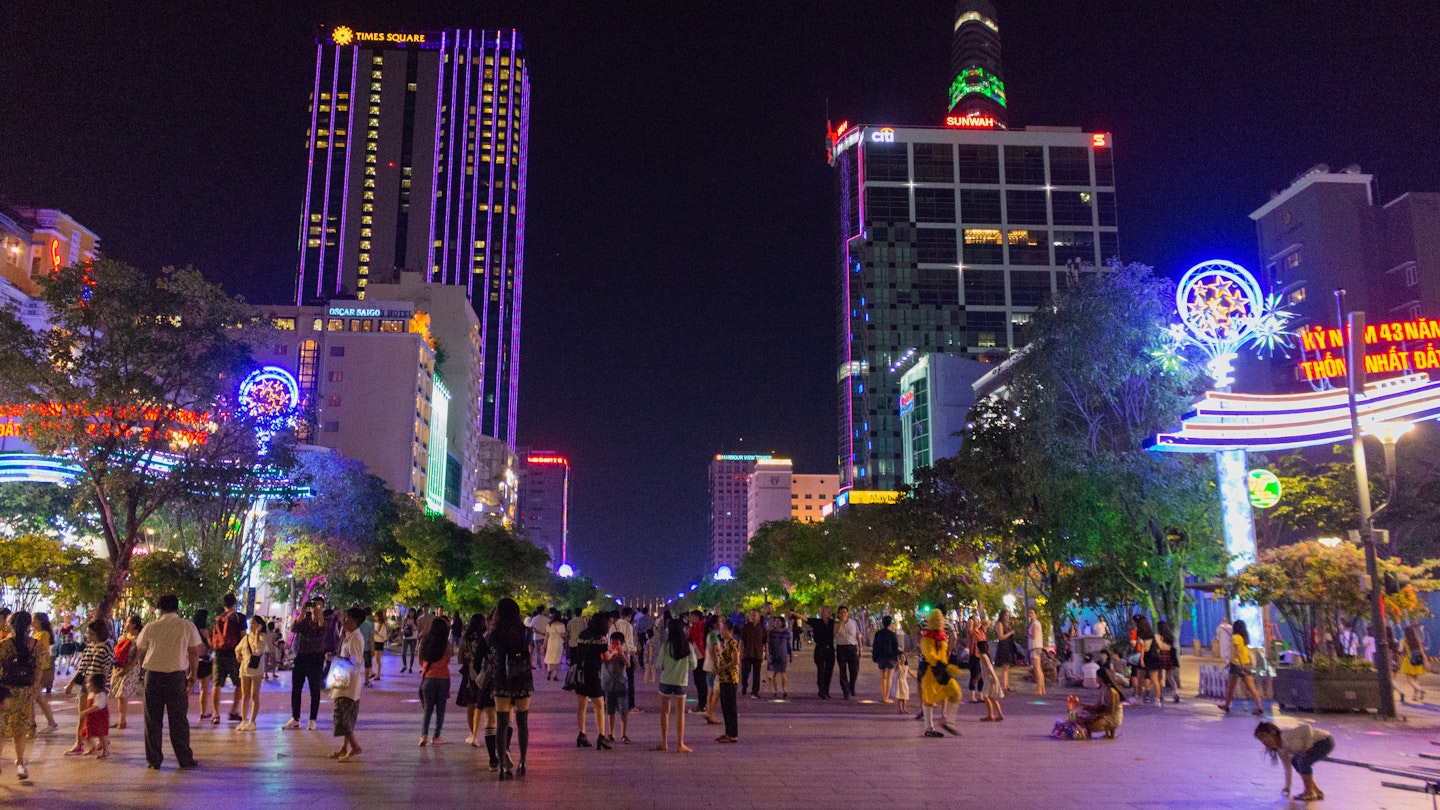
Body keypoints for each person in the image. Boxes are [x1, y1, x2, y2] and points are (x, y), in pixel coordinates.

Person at [135, 595, 203, 770]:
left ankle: (154, 760)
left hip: (153, 676)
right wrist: (193, 677)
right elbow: (194, 653)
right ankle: (184, 759)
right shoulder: (187, 626)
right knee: (179, 719)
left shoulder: (151, 627)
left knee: (152, 719)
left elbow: (140, 648)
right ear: (177, 608)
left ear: (160, 609)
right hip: (176, 677)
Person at [490, 597, 535, 780]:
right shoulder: (526, 632)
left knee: (501, 724)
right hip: (522, 677)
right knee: (522, 722)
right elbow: (527, 652)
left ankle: (502, 767)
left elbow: (490, 651)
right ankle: (523, 762)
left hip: (501, 678)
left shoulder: (494, 633)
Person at [0, 611, 46, 779]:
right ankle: (20, 763)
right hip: (25, 692)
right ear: (28, 626)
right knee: (19, 730)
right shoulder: (37, 645)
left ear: (11, 625)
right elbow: (39, 670)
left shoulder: (4, 645)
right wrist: (34, 690)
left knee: (2, 730)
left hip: (6, 692)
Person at [64, 619, 113, 755]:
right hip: (87, 683)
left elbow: (107, 668)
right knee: (82, 714)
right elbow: (82, 666)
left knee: (95, 714)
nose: (89, 637)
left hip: (98, 685)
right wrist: (71, 683)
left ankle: (100, 740)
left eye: (91, 634)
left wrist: (102, 687)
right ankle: (79, 742)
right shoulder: (89, 646)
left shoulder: (106, 647)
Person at [1255, 721, 1334, 801]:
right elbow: (1287, 768)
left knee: (1303, 761)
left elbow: (1307, 728)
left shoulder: (1286, 735)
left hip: (1324, 740)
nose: (1263, 741)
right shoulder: (1280, 749)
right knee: (1295, 761)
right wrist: (1287, 788)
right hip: (1315, 745)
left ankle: (1309, 792)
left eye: (1264, 736)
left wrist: (1308, 746)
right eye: (1260, 739)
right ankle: (1316, 791)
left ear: (1273, 732)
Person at [328, 607, 366, 761]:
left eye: (347, 617)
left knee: (342, 717)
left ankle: (355, 746)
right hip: (343, 681)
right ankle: (344, 748)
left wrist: (337, 660)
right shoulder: (350, 636)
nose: (344, 620)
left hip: (348, 684)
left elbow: (356, 661)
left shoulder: (356, 638)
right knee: (346, 716)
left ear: (355, 620)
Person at [654, 617, 696, 753]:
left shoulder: (666, 647)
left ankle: (664, 743)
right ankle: (680, 744)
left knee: (665, 712)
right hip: (681, 681)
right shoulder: (687, 646)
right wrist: (683, 669)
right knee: (680, 713)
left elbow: (659, 664)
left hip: (666, 681)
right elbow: (694, 664)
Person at [918, 609, 962, 737]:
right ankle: (929, 728)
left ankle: (950, 723)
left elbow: (943, 655)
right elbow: (930, 656)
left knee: (956, 693)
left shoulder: (942, 638)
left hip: (942, 672)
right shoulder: (926, 639)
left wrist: (948, 666)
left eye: (941, 619)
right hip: (930, 672)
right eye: (937, 619)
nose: (940, 621)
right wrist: (944, 665)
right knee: (929, 700)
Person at [285, 601, 326, 730]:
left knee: (314, 689)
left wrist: (318, 614)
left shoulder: (325, 621)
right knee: (296, 688)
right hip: (302, 656)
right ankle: (295, 718)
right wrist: (302, 610)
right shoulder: (305, 620)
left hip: (316, 657)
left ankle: (312, 719)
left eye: (318, 605)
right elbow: (294, 628)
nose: (315, 608)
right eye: (313, 605)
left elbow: (321, 629)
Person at [574, 612, 610, 749]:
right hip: (593, 674)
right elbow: (606, 657)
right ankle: (601, 736)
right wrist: (614, 653)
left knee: (581, 704)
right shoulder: (600, 638)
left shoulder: (582, 635)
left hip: (580, 673)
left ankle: (581, 734)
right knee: (599, 705)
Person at [209, 594, 245, 724]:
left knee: (216, 683)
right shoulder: (239, 617)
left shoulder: (219, 617)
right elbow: (243, 637)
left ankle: (216, 714)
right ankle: (234, 711)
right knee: (240, 683)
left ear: (223, 604)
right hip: (233, 655)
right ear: (235, 603)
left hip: (218, 653)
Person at [417, 615, 452, 746]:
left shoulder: (424, 642)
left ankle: (423, 736)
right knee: (441, 709)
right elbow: (448, 660)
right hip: (443, 678)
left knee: (427, 708)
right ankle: (436, 736)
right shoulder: (446, 644)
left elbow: (420, 660)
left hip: (428, 678)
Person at [1218, 619, 1265, 716]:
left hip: (1236, 665)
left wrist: (1236, 663)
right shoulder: (1244, 638)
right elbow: (1244, 652)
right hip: (1245, 664)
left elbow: (1236, 652)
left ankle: (1227, 706)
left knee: (1230, 687)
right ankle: (1259, 707)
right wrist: (1245, 665)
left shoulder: (1235, 637)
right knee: (1251, 688)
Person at [456, 613, 488, 747]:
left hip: (469, 675)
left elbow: (459, 659)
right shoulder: (484, 638)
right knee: (480, 705)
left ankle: (472, 734)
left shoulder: (465, 639)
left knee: (470, 705)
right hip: (483, 674)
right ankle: (477, 734)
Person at [791, 606, 837, 699]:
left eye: (824, 612)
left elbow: (838, 629)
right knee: (820, 670)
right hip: (820, 648)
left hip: (830, 649)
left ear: (828, 613)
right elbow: (805, 618)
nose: (822, 613)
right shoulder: (817, 622)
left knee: (829, 670)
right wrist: (794, 614)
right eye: (820, 612)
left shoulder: (833, 622)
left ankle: (826, 690)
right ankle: (821, 690)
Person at [110, 615, 144, 730]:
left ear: (134, 624)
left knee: (123, 693)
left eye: (127, 622)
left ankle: (122, 720)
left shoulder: (138, 638)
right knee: (119, 695)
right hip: (119, 666)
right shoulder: (123, 636)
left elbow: (136, 658)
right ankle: (120, 719)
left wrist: (126, 669)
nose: (125, 624)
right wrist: (116, 668)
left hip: (130, 668)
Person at [235, 615, 266, 730]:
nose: (251, 625)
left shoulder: (262, 638)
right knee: (245, 695)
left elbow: (257, 651)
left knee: (254, 695)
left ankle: (252, 721)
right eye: (251, 623)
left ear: (260, 625)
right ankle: (243, 720)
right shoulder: (246, 638)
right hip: (244, 669)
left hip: (256, 670)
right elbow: (237, 648)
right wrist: (238, 655)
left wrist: (257, 634)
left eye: (254, 623)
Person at [601, 631, 631, 744]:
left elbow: (628, 665)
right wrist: (612, 653)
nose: (614, 645)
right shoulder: (606, 652)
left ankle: (624, 735)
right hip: (609, 685)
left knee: (623, 711)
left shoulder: (624, 653)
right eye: (613, 643)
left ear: (622, 643)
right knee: (610, 711)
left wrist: (621, 654)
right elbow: (603, 659)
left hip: (621, 684)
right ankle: (611, 734)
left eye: (617, 643)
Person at [31, 612, 58, 732]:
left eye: (33, 619)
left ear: (39, 621)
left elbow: (41, 650)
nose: (31, 622)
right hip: (37, 667)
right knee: (38, 697)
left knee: (35, 696)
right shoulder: (36, 633)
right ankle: (50, 722)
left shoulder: (43, 634)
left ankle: (32, 723)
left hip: (42, 668)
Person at [715, 618, 740, 743]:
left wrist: (721, 668)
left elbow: (735, 661)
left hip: (730, 679)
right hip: (723, 678)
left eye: (724, 630)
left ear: (730, 631)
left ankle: (733, 734)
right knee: (725, 707)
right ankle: (727, 732)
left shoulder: (732, 643)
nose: (722, 632)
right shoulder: (724, 643)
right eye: (721, 629)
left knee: (731, 707)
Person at [78, 672, 110, 758]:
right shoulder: (91, 694)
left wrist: (86, 711)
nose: (87, 685)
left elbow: (97, 706)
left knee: (101, 735)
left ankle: (105, 751)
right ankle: (92, 746)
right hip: (91, 719)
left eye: (89, 683)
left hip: (99, 719)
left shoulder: (100, 695)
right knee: (85, 734)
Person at [738, 609, 767, 699]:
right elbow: (741, 641)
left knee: (756, 674)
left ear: (759, 616)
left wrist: (767, 652)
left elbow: (765, 641)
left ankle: (755, 691)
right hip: (747, 653)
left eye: (754, 615)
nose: (752, 617)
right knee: (745, 672)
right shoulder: (746, 627)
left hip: (757, 653)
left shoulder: (762, 628)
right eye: (751, 615)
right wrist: (740, 652)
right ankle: (744, 686)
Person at [834, 606, 861, 700]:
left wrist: (860, 648)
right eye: (841, 613)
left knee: (854, 670)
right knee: (842, 670)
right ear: (838, 614)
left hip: (852, 647)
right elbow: (836, 634)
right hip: (841, 648)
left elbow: (858, 635)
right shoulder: (836, 624)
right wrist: (841, 623)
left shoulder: (853, 623)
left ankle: (851, 686)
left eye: (845, 612)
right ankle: (846, 691)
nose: (843, 614)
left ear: (848, 613)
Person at [1134, 615, 1162, 705]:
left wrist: (1141, 659)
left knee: (1140, 678)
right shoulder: (1151, 634)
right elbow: (1158, 647)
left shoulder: (1141, 634)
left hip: (1146, 657)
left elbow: (1143, 649)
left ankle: (1138, 698)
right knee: (1155, 680)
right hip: (1154, 657)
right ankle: (1157, 700)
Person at [872, 615, 900, 704]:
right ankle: (887, 697)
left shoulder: (878, 633)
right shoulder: (892, 634)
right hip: (890, 657)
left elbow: (875, 646)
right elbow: (895, 647)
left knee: (882, 677)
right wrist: (898, 656)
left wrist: (875, 656)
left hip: (881, 657)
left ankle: (884, 696)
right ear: (890, 623)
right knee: (889, 677)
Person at [685, 610, 709, 712]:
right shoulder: (693, 627)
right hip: (696, 657)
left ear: (697, 617)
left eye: (692, 617)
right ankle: (701, 703)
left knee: (701, 681)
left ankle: (703, 704)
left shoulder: (703, 627)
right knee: (697, 681)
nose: (690, 618)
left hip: (702, 656)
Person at [992, 609, 1017, 694]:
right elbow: (1001, 636)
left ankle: (1007, 685)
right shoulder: (999, 624)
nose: (1008, 617)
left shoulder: (1006, 624)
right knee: (1004, 666)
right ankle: (1004, 686)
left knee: (1007, 666)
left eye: (1008, 615)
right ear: (1002, 615)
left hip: (1008, 645)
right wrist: (1010, 633)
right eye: (1006, 615)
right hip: (1003, 645)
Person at [1156, 620, 1181, 703]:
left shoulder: (1158, 636)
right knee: (1170, 676)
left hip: (1161, 656)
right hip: (1169, 656)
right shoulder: (1170, 636)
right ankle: (1176, 692)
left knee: (1160, 677)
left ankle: (1160, 695)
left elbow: (1159, 647)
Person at [1400, 624, 1427, 702]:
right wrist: (1425, 661)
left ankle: (1421, 690)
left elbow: (1400, 650)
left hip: (1409, 659)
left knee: (1409, 679)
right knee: (1416, 678)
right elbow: (1422, 651)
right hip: (1418, 658)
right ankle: (1416, 696)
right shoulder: (1418, 640)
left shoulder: (1404, 640)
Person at [766, 615, 791, 699]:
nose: (776, 623)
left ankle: (784, 689)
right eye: (775, 622)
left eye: (778, 622)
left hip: (782, 655)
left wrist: (790, 655)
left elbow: (788, 645)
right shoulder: (772, 633)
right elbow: (769, 643)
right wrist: (768, 653)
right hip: (774, 654)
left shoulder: (786, 633)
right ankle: (775, 689)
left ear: (782, 623)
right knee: (773, 674)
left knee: (783, 673)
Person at [978, 645, 1004, 722]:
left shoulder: (983, 655)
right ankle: (999, 714)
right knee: (990, 697)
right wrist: (978, 677)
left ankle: (990, 715)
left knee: (986, 696)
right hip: (988, 677)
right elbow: (985, 668)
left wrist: (994, 676)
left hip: (989, 678)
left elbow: (989, 667)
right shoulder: (984, 656)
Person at [1027, 608, 1046, 696]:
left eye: (1032, 613)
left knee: (1036, 668)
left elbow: (1033, 636)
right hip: (1038, 646)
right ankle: (1042, 689)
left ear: (1035, 614)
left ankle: (1039, 689)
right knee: (1039, 668)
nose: (1030, 614)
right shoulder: (1038, 623)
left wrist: (1027, 634)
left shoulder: (1034, 623)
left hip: (1034, 646)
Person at [544, 612, 566, 681]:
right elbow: (563, 635)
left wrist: (544, 644)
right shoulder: (561, 625)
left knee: (549, 657)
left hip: (551, 642)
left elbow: (546, 636)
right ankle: (555, 674)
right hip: (558, 642)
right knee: (557, 658)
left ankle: (549, 671)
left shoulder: (549, 625)